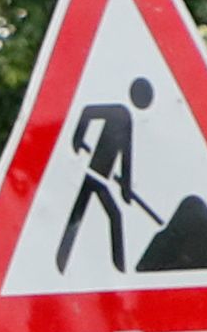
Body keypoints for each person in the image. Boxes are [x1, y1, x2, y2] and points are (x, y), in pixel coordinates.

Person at [58, 76, 156, 275]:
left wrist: (126, 189)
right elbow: (87, 112)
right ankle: (118, 268)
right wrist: (78, 140)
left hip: (100, 177)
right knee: (106, 215)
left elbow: (126, 157)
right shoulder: (118, 112)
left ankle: (63, 260)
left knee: (85, 214)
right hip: (93, 174)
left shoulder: (127, 119)